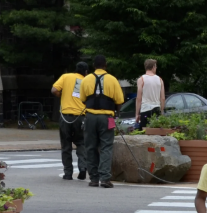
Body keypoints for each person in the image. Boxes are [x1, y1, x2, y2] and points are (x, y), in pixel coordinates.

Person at [81, 54, 124, 189]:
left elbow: (83, 99)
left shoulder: (86, 79)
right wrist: (116, 114)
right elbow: (119, 101)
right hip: (107, 117)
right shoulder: (112, 80)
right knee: (106, 147)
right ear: (105, 65)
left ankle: (93, 179)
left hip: (90, 117)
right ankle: (105, 178)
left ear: (94, 66)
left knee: (90, 147)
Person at [52, 61, 88, 181]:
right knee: (81, 143)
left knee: (66, 145)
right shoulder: (86, 81)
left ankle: (68, 173)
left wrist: (61, 95)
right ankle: (82, 167)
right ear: (86, 72)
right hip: (80, 116)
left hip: (65, 116)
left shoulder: (65, 76)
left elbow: (54, 90)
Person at [134, 59, 165, 130]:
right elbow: (162, 98)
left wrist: (137, 114)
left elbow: (139, 98)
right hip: (156, 108)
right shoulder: (160, 79)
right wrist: (161, 111)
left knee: (145, 132)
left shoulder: (141, 79)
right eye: (156, 66)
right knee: (156, 131)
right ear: (153, 67)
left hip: (145, 109)